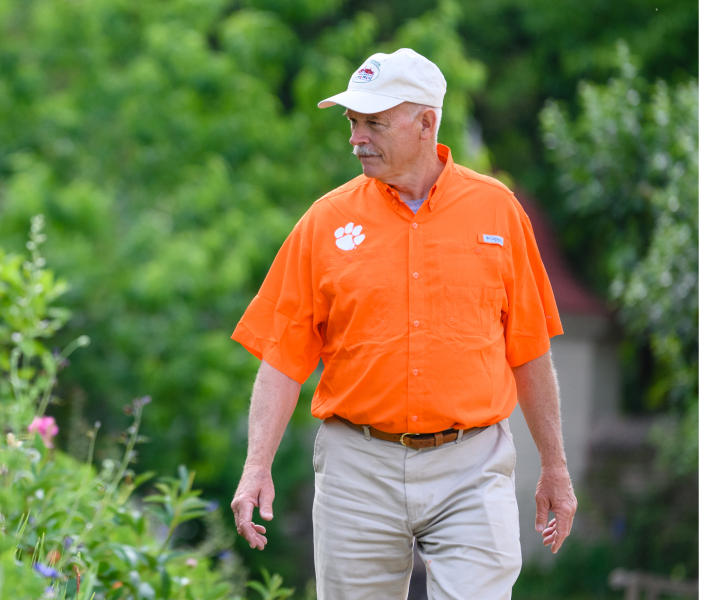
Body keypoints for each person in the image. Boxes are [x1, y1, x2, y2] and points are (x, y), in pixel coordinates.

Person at [229, 48, 578, 599]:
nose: (356, 138)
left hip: (472, 464)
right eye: (352, 122)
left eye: (374, 122)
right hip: (357, 468)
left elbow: (530, 351)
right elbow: (282, 357)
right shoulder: (325, 221)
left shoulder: (498, 212)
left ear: (426, 123)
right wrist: (256, 468)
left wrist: (555, 468)